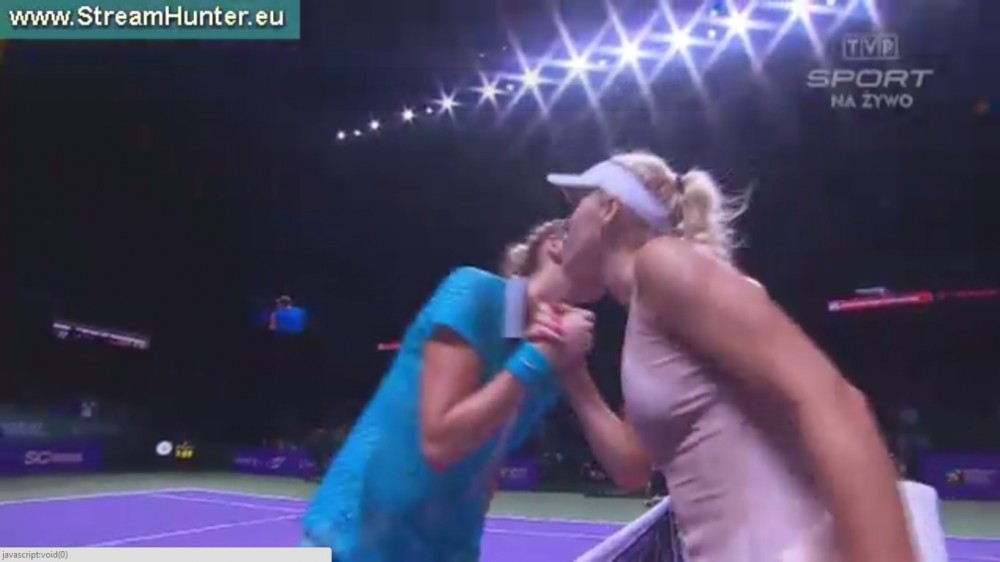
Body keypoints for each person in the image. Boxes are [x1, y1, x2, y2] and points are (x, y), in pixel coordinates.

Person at [536, 152, 915, 562]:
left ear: (609, 209)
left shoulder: (663, 264)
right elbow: (632, 465)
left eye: (576, 207)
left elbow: (837, 404)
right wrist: (571, 369)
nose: (565, 225)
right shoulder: (647, 317)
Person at [301, 219, 595, 562]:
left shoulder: (555, 356)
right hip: (351, 543)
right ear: (556, 244)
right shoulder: (475, 291)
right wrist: (540, 353)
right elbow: (441, 444)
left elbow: (488, 462)